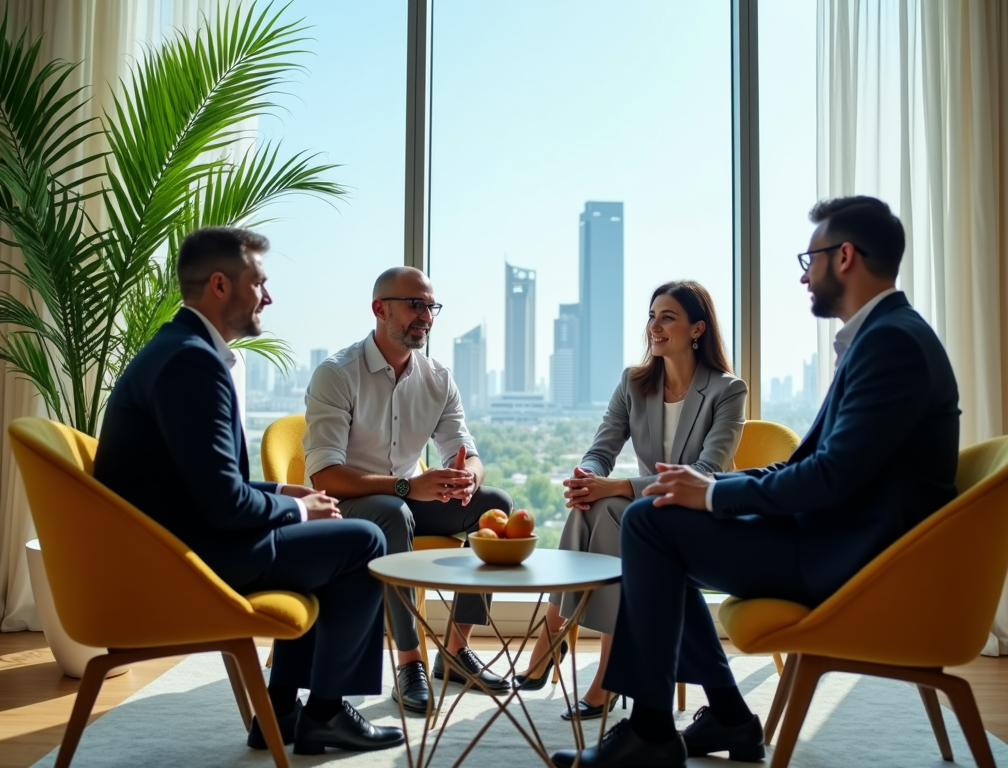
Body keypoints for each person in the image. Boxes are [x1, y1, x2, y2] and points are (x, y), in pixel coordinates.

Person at [550, 196, 960, 768]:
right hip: (835, 539)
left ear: (844, 257)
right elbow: (814, 466)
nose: (803, 273)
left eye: (809, 258)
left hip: (852, 562)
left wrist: (715, 492)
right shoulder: (883, 337)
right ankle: (727, 719)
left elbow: (831, 476)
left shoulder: (891, 344)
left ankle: (652, 730)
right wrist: (705, 491)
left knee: (652, 523)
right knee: (662, 522)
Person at [93, 228, 404, 756]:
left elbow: (195, 479)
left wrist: (280, 490)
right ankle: (324, 712)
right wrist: (297, 508)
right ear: (220, 285)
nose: (269, 296)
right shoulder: (193, 363)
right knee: (364, 541)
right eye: (259, 283)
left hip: (177, 543)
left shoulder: (177, 349)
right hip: (192, 559)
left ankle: (280, 711)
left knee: (330, 539)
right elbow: (223, 503)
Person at [516, 281, 747, 722]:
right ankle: (600, 670)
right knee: (594, 505)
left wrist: (619, 487)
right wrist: (589, 475)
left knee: (614, 508)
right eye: (651, 315)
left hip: (701, 519)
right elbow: (602, 449)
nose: (654, 327)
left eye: (667, 317)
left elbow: (705, 472)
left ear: (697, 328)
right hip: (646, 517)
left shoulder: (726, 390)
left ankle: (553, 633)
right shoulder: (634, 382)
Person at [303, 266, 514, 714]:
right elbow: (324, 475)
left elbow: (465, 449)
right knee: (393, 512)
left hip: (409, 496)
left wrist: (469, 475)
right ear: (380, 309)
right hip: (351, 502)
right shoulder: (337, 374)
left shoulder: (438, 378)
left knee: (494, 505)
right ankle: (409, 661)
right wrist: (407, 486)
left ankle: (455, 653)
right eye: (414, 305)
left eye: (431, 306)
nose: (426, 316)